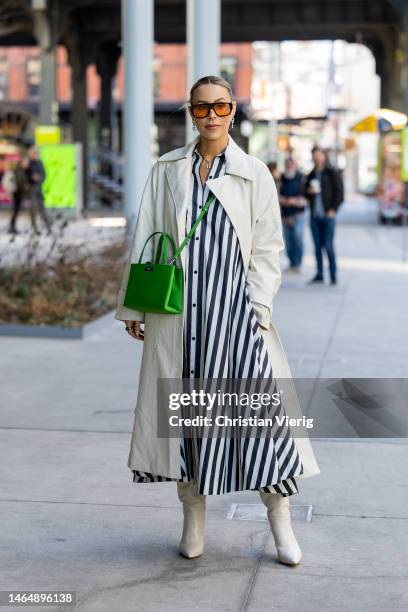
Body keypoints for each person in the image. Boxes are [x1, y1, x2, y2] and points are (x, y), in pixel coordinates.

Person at [115, 75, 320, 565]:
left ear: (233, 112)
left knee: (262, 424)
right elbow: (147, 235)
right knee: (186, 423)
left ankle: (281, 523)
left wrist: (259, 309)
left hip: (238, 321)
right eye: (202, 107)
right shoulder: (168, 169)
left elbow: (268, 249)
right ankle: (194, 520)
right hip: (180, 320)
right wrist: (135, 306)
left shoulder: (254, 173)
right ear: (191, 112)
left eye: (221, 107)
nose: (211, 116)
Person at [304, 146, 343, 285]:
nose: (317, 158)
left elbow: (340, 193)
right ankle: (319, 273)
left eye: (318, 155)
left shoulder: (331, 172)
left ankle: (333, 274)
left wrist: (333, 209)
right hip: (315, 216)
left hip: (328, 215)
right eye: (314, 155)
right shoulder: (311, 174)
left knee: (328, 245)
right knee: (317, 246)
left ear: (324, 156)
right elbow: (305, 193)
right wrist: (309, 191)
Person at [279, 157, 307, 273]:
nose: (289, 166)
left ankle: (298, 264)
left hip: (298, 213)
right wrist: (282, 200)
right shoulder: (282, 178)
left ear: (295, 165)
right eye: (287, 164)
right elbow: (277, 193)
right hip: (285, 214)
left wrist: (294, 201)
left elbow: (306, 196)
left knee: (298, 239)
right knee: (288, 240)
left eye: (291, 164)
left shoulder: (301, 178)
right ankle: (291, 263)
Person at [27, 147, 52, 235]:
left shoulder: (40, 162)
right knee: (33, 210)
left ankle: (48, 228)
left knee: (43, 209)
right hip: (32, 189)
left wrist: (40, 178)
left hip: (39, 188)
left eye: (37, 154)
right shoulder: (29, 163)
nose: (36, 155)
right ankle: (35, 228)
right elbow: (26, 176)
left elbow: (44, 174)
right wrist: (32, 178)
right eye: (35, 153)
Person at [4, 157, 30, 235]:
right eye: (25, 163)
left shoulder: (21, 170)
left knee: (16, 211)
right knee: (16, 211)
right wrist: (24, 186)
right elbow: (19, 182)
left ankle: (12, 227)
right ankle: (12, 227)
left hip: (18, 193)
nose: (26, 164)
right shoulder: (19, 171)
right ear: (21, 163)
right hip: (17, 193)